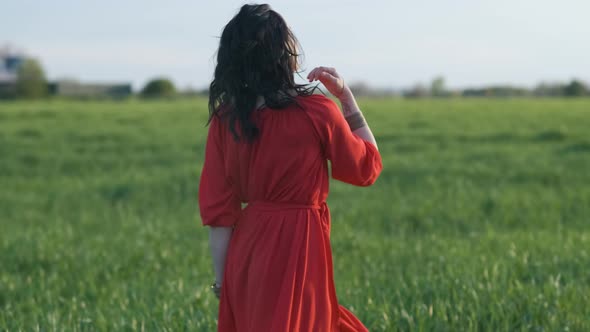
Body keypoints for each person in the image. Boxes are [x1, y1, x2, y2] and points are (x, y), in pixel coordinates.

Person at [199, 4, 382, 331]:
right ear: (286, 54)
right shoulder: (318, 111)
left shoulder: (226, 120)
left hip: (248, 253)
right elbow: (367, 167)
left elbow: (219, 216)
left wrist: (222, 283)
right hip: (300, 249)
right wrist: (348, 100)